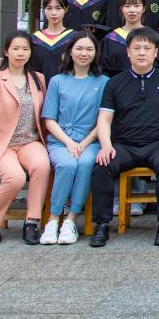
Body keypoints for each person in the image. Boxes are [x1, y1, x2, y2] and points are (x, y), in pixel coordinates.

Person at [89, 27, 159, 247]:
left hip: (158, 144)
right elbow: (104, 119)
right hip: (124, 145)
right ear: (128, 52)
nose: (142, 52)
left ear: (155, 52)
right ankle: (101, 225)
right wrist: (106, 145)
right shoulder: (114, 82)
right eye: (136, 48)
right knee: (103, 164)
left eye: (147, 48)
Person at [0, 31, 51, 245]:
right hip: (2, 144)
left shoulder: (38, 79)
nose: (20, 53)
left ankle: (32, 222)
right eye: (16, 48)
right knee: (15, 177)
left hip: (30, 141)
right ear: (6, 51)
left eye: (25, 49)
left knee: (42, 166)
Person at [38, 31, 109, 245]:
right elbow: (49, 119)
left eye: (89, 49)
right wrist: (69, 143)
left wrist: (83, 143)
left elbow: (103, 119)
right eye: (79, 48)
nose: (84, 53)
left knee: (86, 163)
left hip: (91, 141)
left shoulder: (103, 82)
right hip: (61, 141)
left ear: (95, 53)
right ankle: (53, 219)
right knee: (67, 165)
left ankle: (71, 219)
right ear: (70, 51)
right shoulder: (57, 81)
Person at [29, 0, 76, 81]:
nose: (53, 13)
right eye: (49, 8)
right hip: (39, 86)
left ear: (66, 9)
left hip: (67, 86)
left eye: (58, 8)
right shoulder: (34, 39)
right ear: (44, 10)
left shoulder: (74, 38)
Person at [100, 0, 147, 76]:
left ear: (144, 8)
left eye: (137, 6)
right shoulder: (110, 39)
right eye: (127, 6)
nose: (132, 10)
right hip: (117, 82)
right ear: (121, 9)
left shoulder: (151, 38)